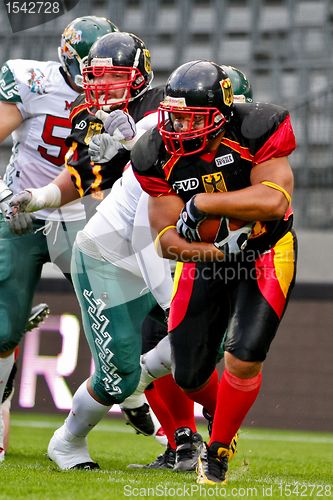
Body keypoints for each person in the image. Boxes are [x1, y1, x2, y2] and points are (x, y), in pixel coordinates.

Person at [131, 59, 297, 484]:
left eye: (191, 118)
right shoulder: (154, 152)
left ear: (221, 116)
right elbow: (166, 239)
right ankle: (218, 413)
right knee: (188, 373)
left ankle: (219, 449)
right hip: (208, 260)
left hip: (265, 250)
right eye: (175, 115)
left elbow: (275, 200)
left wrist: (203, 203)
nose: (179, 126)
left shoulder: (256, 129)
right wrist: (209, 253)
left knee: (243, 357)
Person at [0, 15, 118, 462]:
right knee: (4, 328)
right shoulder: (32, 81)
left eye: (107, 70)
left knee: (115, 309)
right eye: (93, 69)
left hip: (81, 215)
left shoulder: (119, 100)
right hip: (21, 210)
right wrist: (6, 195)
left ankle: (145, 407)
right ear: (70, 62)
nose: (100, 80)